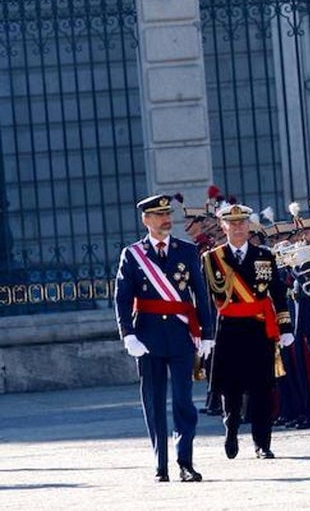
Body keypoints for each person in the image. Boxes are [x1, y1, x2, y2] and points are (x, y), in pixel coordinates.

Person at [114, 194, 212, 482]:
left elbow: (200, 295)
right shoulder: (132, 255)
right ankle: (161, 464)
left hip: (181, 336)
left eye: (168, 213)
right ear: (146, 220)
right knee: (154, 402)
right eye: (159, 215)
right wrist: (128, 334)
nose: (166, 219)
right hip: (148, 338)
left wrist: (207, 333)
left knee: (184, 401)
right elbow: (121, 299)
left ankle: (185, 462)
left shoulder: (187, 251)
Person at [202, 203, 295, 460]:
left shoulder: (265, 255)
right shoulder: (212, 259)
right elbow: (205, 300)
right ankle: (230, 431)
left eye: (242, 222)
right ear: (223, 227)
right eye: (232, 223)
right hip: (228, 331)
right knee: (230, 390)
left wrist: (285, 326)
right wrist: (204, 334)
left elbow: (278, 292)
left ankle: (262, 443)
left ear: (249, 225)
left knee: (262, 389)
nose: (238, 227)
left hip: (258, 329)